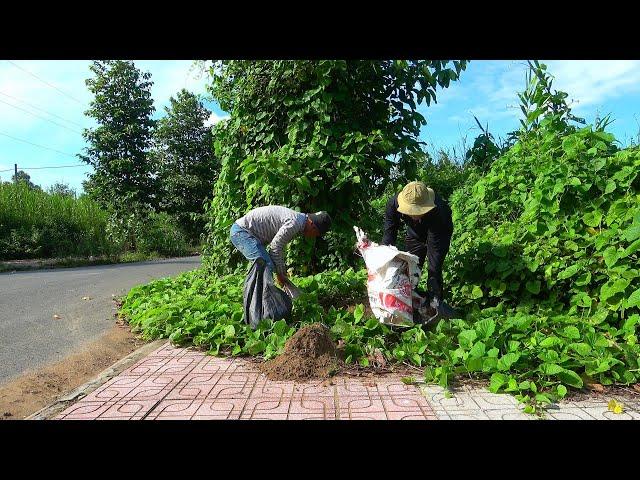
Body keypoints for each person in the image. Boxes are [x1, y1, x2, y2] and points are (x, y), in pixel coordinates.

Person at [381, 181, 456, 320]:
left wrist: (433, 281)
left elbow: (435, 251)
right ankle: (410, 299)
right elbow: (389, 235)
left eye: (419, 211)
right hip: (415, 231)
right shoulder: (393, 205)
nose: (415, 215)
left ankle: (435, 304)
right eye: (411, 211)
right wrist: (384, 263)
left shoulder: (439, 210)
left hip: (440, 230)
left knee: (434, 267)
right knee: (411, 265)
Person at [230, 206, 332, 293]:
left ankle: (263, 301)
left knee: (265, 266)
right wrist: (280, 274)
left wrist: (281, 272)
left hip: (247, 233)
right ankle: (259, 304)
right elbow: (275, 247)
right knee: (265, 266)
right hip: (242, 232)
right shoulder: (294, 223)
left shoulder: (299, 221)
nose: (313, 236)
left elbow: (278, 247)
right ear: (313, 226)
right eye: (316, 234)